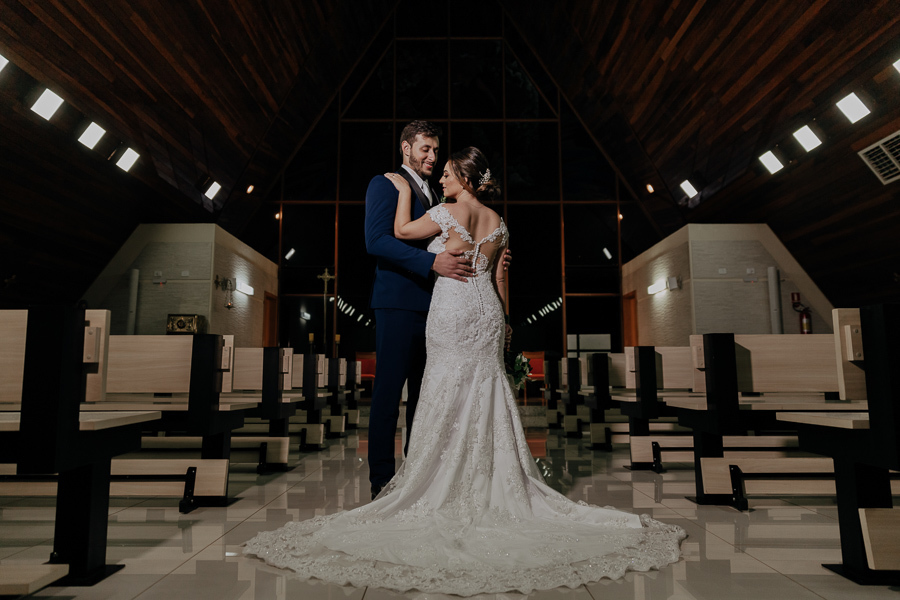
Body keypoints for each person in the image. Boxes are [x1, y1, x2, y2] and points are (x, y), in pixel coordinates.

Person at [244, 147, 686, 596]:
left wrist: (400, 190)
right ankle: (490, 482)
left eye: (450, 173)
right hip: (488, 314)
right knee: (486, 394)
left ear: (466, 180)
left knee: (443, 392)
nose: (442, 180)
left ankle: (435, 482)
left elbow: (398, 231)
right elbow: (497, 280)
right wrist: (507, 322)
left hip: (453, 312)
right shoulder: (499, 222)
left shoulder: (446, 212)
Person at [362, 120, 505, 500]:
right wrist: (432, 263)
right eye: (425, 148)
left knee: (428, 398)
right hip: (397, 304)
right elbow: (376, 241)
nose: (431, 156)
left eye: (436, 151)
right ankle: (381, 481)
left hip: (441, 310)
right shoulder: (387, 183)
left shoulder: (439, 198)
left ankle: (419, 477)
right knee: (389, 395)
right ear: (406, 148)